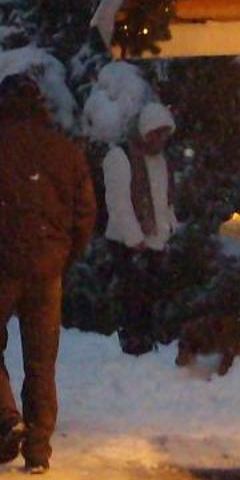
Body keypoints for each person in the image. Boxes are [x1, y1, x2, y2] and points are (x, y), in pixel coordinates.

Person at [0, 72, 96, 475]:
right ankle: (39, 450)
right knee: (41, 361)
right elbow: (85, 212)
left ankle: (9, 420)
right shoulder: (64, 150)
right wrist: (65, 254)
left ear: (0, 104)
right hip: (47, 266)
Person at [102, 101, 177, 355]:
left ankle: (148, 343)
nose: (160, 139)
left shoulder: (160, 159)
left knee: (150, 298)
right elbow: (118, 201)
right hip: (127, 241)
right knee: (132, 297)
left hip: (155, 239)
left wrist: (169, 228)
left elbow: (164, 199)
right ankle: (132, 346)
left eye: (164, 134)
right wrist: (134, 238)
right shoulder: (120, 155)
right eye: (156, 133)